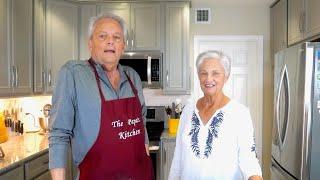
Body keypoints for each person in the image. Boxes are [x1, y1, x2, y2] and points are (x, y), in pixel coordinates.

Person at [49, 13, 153, 180]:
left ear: (123, 46)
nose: (110, 41)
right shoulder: (73, 74)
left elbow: (141, 122)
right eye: (103, 36)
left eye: (116, 37)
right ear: (90, 43)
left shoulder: (132, 76)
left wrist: (146, 153)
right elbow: (59, 135)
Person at [169, 50, 262, 180]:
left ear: (226, 76)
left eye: (215, 73)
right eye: (204, 73)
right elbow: (178, 157)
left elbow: (249, 159)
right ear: (198, 76)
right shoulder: (188, 110)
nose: (208, 79)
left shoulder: (240, 113)